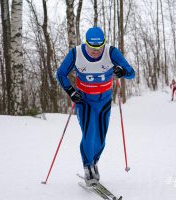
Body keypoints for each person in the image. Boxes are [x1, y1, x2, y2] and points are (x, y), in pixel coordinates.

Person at [56, 27, 135, 186]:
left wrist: (122, 71)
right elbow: (61, 73)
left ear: (104, 44)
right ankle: (87, 166)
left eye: (99, 48)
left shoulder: (111, 52)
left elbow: (131, 72)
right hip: (84, 100)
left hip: (104, 101)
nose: (95, 52)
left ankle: (93, 162)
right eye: (92, 48)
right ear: (86, 44)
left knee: (101, 137)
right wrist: (71, 91)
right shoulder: (76, 53)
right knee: (89, 133)